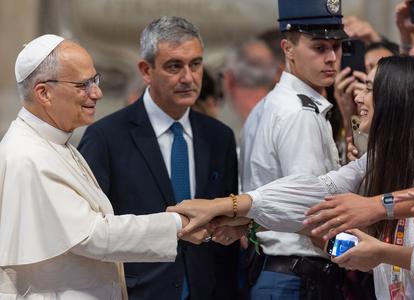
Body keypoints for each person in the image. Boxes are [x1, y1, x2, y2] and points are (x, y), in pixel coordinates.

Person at [169, 55, 414, 299]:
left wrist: (382, 252)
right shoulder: (378, 161)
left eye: (369, 88)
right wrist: (230, 209)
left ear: (397, 99)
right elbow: (318, 189)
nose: (358, 97)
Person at [0, 34, 207, 299]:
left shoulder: (55, 143)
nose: (96, 93)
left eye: (95, 81)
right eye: (83, 85)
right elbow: (92, 235)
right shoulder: (27, 155)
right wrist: (179, 223)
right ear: (44, 93)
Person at [78, 16, 239, 300]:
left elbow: (227, 230)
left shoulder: (220, 137)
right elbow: (91, 229)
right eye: (174, 66)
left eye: (196, 64)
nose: (188, 77)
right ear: (146, 70)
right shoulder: (106, 138)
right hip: (138, 292)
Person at [240, 0, 347, 298]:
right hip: (297, 275)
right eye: (319, 47)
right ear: (288, 48)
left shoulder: (270, 104)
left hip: (277, 269)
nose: (331, 58)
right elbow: (313, 211)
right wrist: (357, 253)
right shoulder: (300, 114)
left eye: (336, 47)